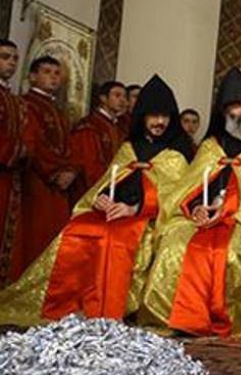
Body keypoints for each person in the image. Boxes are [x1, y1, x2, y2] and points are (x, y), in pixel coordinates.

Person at [0, 75, 194, 325]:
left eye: (165, 117)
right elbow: (110, 180)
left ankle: (107, 308)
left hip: (148, 217)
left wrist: (134, 207)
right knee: (81, 228)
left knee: (115, 239)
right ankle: (65, 303)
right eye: (153, 116)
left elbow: (175, 196)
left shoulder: (176, 154)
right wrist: (103, 198)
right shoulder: (129, 148)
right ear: (142, 117)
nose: (159, 122)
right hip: (113, 211)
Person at [140, 69, 241, 337]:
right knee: (173, 246)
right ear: (223, 111)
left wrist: (227, 211)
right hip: (202, 219)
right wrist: (197, 207)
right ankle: (176, 318)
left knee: (231, 254)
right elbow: (190, 187)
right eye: (236, 105)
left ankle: (232, 319)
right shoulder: (212, 146)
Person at [10, 56, 77, 281]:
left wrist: (70, 170)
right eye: (47, 71)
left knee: (55, 238)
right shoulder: (26, 104)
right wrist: (55, 171)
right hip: (37, 180)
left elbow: (69, 145)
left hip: (61, 184)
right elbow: (33, 143)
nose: (53, 77)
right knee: (34, 236)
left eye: (57, 73)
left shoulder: (59, 110)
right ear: (32, 76)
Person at [69, 81, 127, 198]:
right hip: (93, 188)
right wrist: (102, 187)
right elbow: (89, 162)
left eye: (124, 96)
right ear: (103, 98)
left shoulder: (120, 127)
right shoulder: (90, 125)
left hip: (116, 185)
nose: (122, 100)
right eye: (117, 95)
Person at [0, 39, 24, 282]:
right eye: (5, 57)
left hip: (10, 176)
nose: (11, 63)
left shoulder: (13, 99)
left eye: (15, 58)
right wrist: (15, 150)